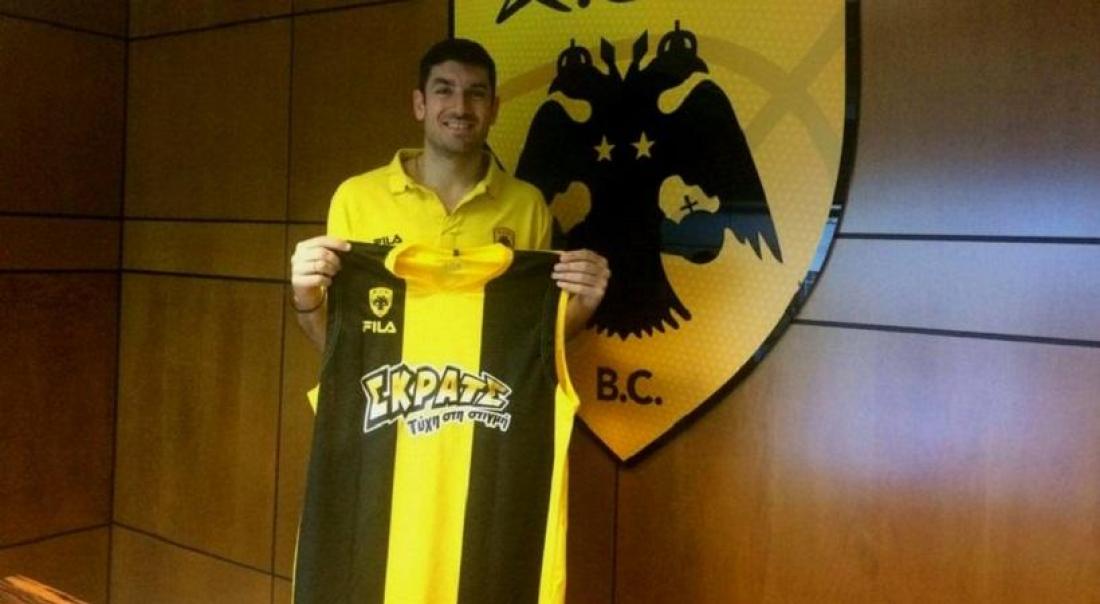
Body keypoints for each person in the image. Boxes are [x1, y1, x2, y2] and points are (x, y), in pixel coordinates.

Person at [290, 38, 609, 347]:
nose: (461, 107)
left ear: (494, 109)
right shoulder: (356, 198)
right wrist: (305, 295)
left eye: (476, 93)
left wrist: (583, 304)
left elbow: (531, 342)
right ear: (420, 105)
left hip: (488, 387)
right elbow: (337, 342)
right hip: (381, 386)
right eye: (444, 90)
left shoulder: (529, 206)